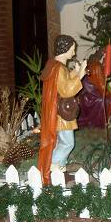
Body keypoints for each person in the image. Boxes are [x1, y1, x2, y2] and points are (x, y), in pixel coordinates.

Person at [38, 35, 87, 184]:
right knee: (67, 143)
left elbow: (61, 84)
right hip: (61, 115)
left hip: (57, 112)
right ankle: (52, 167)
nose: (74, 52)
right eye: (73, 49)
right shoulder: (59, 68)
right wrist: (81, 75)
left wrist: (75, 73)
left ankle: (60, 170)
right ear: (65, 49)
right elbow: (66, 90)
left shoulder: (55, 66)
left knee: (61, 143)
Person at [77, 48, 111, 128]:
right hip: (91, 96)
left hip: (86, 94)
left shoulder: (91, 62)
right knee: (110, 101)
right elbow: (101, 86)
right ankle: (103, 122)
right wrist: (109, 92)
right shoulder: (96, 66)